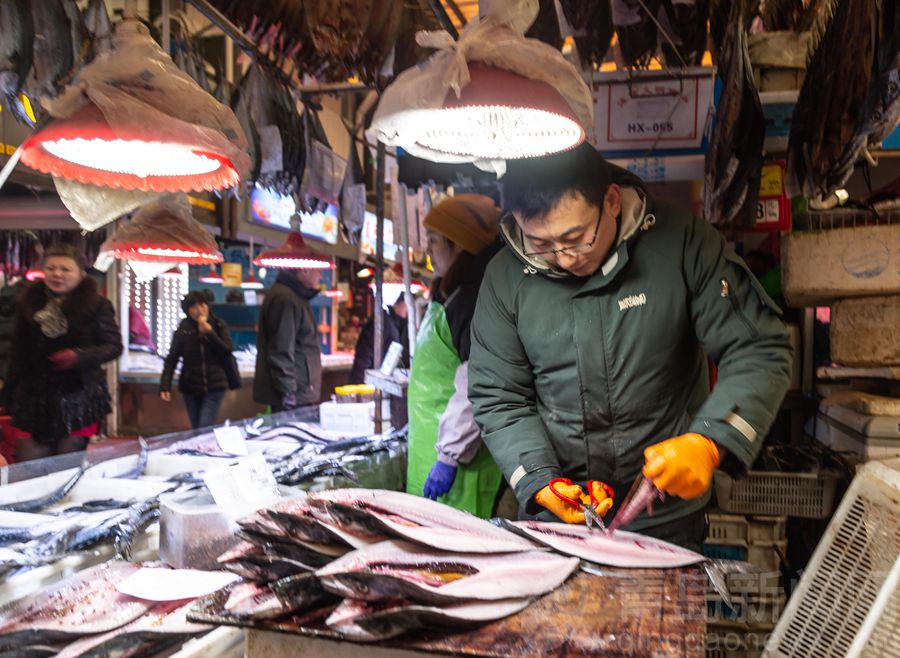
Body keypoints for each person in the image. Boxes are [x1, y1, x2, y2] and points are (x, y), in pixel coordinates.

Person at [468, 143, 792, 550]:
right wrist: (540, 480)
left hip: (667, 518)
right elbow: (499, 396)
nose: (564, 259)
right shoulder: (504, 278)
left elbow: (758, 347)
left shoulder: (683, 243)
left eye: (575, 238)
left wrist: (710, 441)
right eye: (542, 244)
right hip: (559, 522)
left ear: (611, 201)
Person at [407, 194, 505, 518]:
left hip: (462, 464)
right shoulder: (454, 295)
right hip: (434, 449)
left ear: (459, 244)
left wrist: (448, 457)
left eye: (434, 241)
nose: (429, 252)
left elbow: (478, 380)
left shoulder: (472, 300)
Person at [2, 244, 122, 461]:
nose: (57, 274)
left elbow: (113, 346)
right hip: (32, 397)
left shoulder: (97, 304)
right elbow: (18, 352)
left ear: (81, 274)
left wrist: (79, 357)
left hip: (78, 396)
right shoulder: (29, 302)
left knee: (65, 466)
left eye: (66, 269)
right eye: (51, 268)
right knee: (29, 466)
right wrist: (8, 393)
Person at [160, 291, 235, 429]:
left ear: (207, 306)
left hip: (215, 385)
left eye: (202, 305)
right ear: (187, 311)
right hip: (191, 386)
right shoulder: (183, 330)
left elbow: (227, 350)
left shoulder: (218, 325)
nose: (199, 310)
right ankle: (202, 449)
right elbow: (172, 359)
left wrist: (209, 332)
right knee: (196, 428)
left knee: (204, 426)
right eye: (193, 307)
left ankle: (204, 448)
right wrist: (165, 385)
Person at [253, 269, 323, 412]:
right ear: (304, 270)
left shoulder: (295, 296)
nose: (320, 275)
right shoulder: (286, 299)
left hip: (299, 393)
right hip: (294, 397)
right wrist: (288, 393)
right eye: (319, 271)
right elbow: (281, 350)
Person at [349, 295, 410, 384]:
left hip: (374, 381)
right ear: (402, 304)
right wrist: (358, 386)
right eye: (408, 307)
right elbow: (364, 357)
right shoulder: (382, 323)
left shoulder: (391, 323)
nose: (408, 312)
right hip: (368, 383)